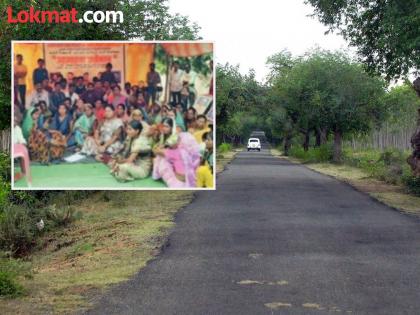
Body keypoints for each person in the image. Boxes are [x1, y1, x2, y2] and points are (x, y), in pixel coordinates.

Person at [152, 117, 201, 187]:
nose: (164, 128)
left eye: (166, 126)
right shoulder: (163, 135)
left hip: (178, 157)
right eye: (163, 126)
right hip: (172, 156)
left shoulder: (175, 137)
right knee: (159, 158)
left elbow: (160, 150)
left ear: (172, 127)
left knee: (162, 161)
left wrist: (159, 149)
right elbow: (158, 149)